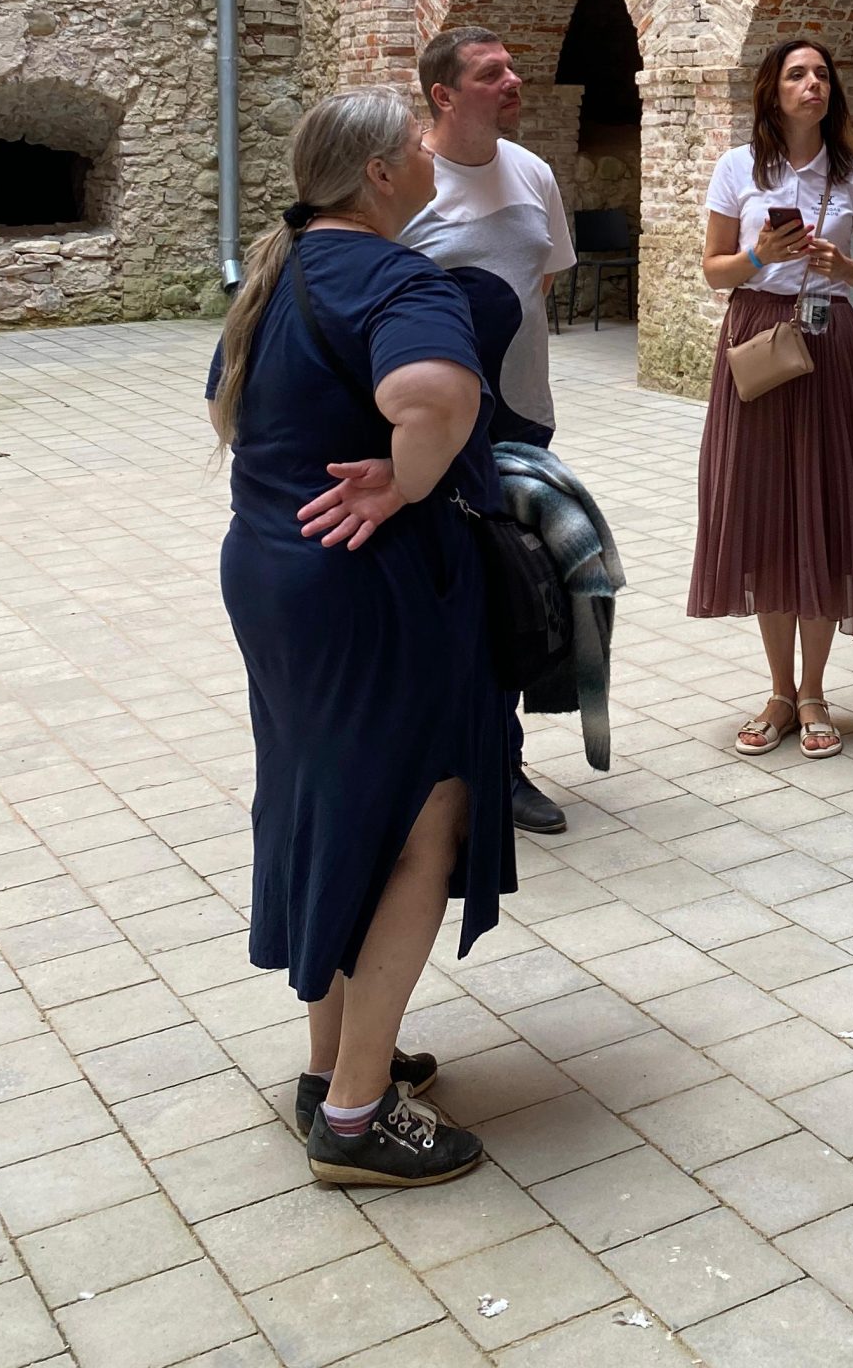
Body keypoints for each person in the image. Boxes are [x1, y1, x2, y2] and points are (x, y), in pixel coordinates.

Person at [209, 90, 514, 1189]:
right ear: (380, 174)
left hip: (274, 573)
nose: (432, 156)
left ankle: (333, 1064)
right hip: (367, 590)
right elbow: (429, 391)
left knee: (335, 808)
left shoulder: (278, 269)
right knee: (424, 817)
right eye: (416, 146)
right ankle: (353, 1117)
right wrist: (408, 479)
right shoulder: (395, 275)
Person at [692, 38, 853, 756]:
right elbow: (714, 271)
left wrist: (839, 264)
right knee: (766, 512)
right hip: (757, 339)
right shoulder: (738, 167)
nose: (812, 83)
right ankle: (780, 691)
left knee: (823, 508)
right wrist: (762, 255)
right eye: (796, 74)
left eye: (821, 73)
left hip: (828, 341)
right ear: (773, 91)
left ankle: (813, 691)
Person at [402, 27, 577, 837]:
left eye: (512, 67)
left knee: (511, 591)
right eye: (490, 73)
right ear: (444, 95)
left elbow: (540, 282)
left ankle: (501, 765)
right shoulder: (407, 180)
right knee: (434, 597)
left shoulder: (533, 172)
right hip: (432, 435)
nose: (514, 81)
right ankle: (430, 769)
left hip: (520, 424)